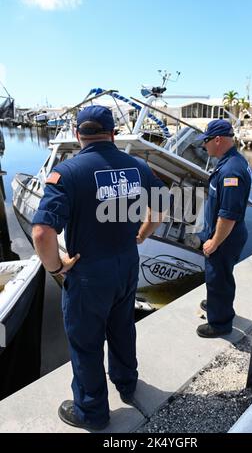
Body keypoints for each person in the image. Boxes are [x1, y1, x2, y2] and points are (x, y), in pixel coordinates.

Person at [32, 105, 167, 431]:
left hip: (90, 273)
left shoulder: (68, 173)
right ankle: (126, 382)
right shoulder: (137, 166)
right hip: (126, 266)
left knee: (86, 341)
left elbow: (41, 232)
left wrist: (55, 268)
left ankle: (91, 411)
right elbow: (162, 203)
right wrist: (142, 234)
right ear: (114, 134)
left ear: (78, 135)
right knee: (122, 327)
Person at [196, 119, 252, 338]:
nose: (204, 146)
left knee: (219, 277)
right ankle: (216, 304)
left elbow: (228, 216)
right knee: (219, 277)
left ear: (218, 140)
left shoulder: (231, 172)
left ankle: (220, 323)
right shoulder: (229, 161)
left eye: (206, 141)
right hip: (228, 233)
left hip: (226, 236)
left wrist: (214, 242)